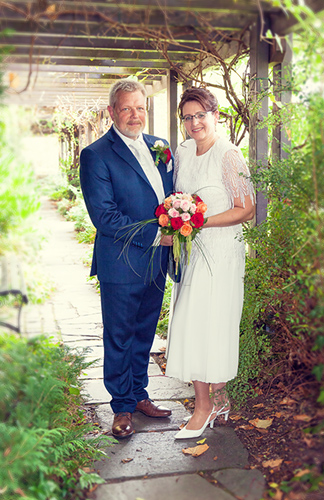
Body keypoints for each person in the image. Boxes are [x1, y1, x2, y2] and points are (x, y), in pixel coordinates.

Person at [80, 79, 174, 439]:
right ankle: (120, 406)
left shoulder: (160, 147)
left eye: (140, 107)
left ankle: (139, 395)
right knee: (119, 336)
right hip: (120, 263)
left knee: (144, 334)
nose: (135, 115)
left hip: (156, 263)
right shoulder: (96, 154)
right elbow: (104, 216)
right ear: (111, 112)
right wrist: (157, 236)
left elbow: (170, 193)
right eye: (126, 108)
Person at [165, 87, 256, 439]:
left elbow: (246, 209)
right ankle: (217, 399)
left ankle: (204, 407)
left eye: (200, 114)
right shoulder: (185, 151)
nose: (194, 122)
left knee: (212, 324)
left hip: (221, 252)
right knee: (192, 322)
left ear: (215, 115)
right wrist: (176, 224)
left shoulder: (229, 155)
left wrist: (200, 221)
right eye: (188, 116)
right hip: (192, 252)